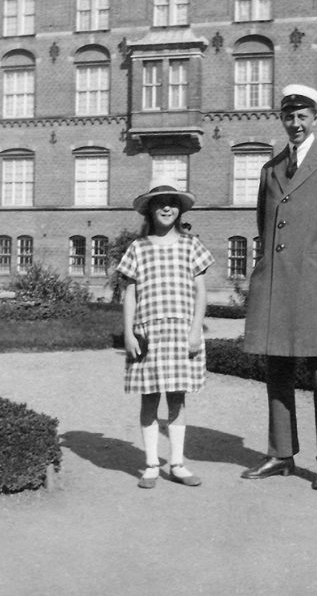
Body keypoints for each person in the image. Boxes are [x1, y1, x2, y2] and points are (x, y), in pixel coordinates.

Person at [242, 84, 317, 491]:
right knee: (277, 370)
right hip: (277, 283)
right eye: (289, 116)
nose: (295, 123)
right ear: (282, 119)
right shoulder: (270, 169)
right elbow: (263, 225)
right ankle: (280, 453)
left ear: (315, 118)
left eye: (302, 116)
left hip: (316, 286)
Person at [117, 178, 214, 489]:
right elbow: (130, 293)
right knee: (149, 399)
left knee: (176, 398)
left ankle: (177, 463)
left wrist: (196, 328)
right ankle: (149, 465)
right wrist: (129, 334)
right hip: (147, 333)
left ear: (180, 210)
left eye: (172, 203)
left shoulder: (191, 245)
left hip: (180, 332)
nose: (166, 207)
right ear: (149, 210)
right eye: (159, 203)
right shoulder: (138, 248)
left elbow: (201, 292)